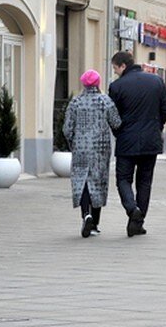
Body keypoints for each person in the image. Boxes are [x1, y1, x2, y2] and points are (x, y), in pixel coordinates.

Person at [108, 51, 166, 237]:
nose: (115, 72)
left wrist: (119, 132)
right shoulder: (156, 81)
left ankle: (131, 209)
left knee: (123, 179)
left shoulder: (117, 86)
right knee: (144, 182)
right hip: (150, 142)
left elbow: (113, 116)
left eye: (115, 68)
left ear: (123, 66)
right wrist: (155, 126)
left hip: (126, 141)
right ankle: (138, 221)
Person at [63, 70, 121, 237]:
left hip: (80, 148)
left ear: (83, 83)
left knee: (82, 182)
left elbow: (67, 129)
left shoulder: (75, 102)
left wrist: (72, 142)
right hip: (100, 149)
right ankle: (94, 223)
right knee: (98, 182)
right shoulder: (105, 101)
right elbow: (116, 123)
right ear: (98, 83)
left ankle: (85, 215)